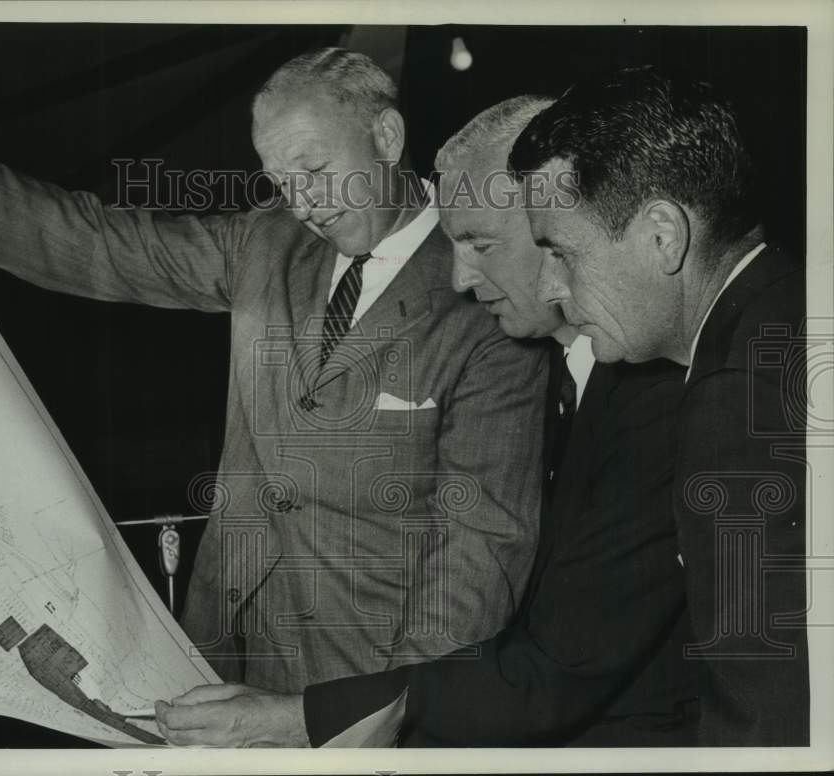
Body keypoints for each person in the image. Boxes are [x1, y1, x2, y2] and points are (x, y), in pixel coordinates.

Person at [0, 48, 548, 693]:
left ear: (387, 138)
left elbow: (479, 551)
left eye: (314, 169)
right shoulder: (265, 242)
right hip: (224, 656)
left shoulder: (489, 301)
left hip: (369, 679)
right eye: (281, 182)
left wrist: (392, 709)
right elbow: (97, 242)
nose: (304, 204)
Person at [150, 96, 700, 748]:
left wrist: (298, 720)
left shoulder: (656, 403)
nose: (460, 278)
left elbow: (551, 669)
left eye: (479, 243)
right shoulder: (564, 375)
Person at [509, 65, 809, 745]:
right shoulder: (785, 317)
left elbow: (767, 719)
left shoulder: (737, 398)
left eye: (562, 251)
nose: (550, 287)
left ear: (662, 235)